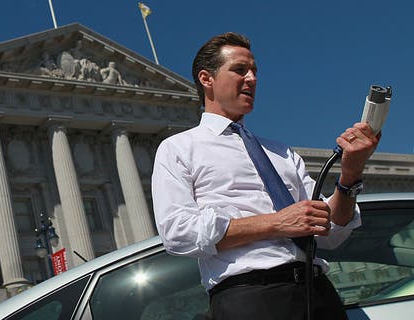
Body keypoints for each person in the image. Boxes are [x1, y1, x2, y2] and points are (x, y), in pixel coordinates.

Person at [151, 32, 379, 320]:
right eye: (239, 70)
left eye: (255, 71)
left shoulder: (282, 152)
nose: (252, 79)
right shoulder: (178, 148)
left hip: (319, 293)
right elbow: (179, 234)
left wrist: (350, 172)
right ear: (206, 79)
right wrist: (277, 223)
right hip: (251, 299)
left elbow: (331, 233)